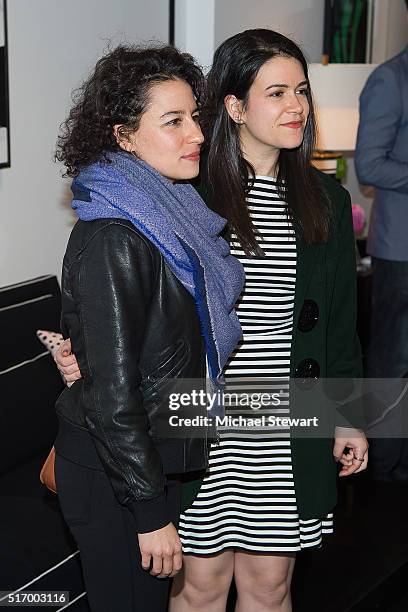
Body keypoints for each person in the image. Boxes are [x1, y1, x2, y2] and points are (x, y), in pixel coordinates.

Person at [57, 31, 369, 612]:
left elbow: (339, 327)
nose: (296, 106)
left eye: (302, 91)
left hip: (285, 419)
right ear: (234, 105)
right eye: (276, 92)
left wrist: (347, 416)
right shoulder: (184, 192)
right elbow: (123, 305)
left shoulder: (324, 199)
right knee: (199, 588)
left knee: (271, 588)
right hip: (204, 424)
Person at [53, 44, 244, 612]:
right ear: (124, 136)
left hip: (159, 462)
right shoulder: (116, 234)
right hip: (116, 479)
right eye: (174, 121)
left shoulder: (171, 212)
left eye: (195, 117)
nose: (198, 134)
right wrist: (149, 510)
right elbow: (112, 396)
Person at [355, 1, 408, 482]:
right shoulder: (391, 80)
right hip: (401, 250)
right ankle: (385, 466)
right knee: (393, 359)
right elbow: (369, 165)